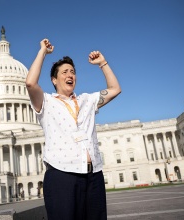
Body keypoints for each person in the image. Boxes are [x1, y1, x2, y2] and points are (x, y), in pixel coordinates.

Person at [26, 38, 121, 220]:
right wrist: (42, 52)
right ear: (54, 79)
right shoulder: (45, 102)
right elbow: (30, 83)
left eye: (73, 71)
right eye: (64, 72)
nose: (70, 75)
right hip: (62, 175)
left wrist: (103, 63)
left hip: (93, 175)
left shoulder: (87, 100)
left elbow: (115, 89)